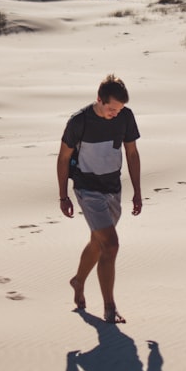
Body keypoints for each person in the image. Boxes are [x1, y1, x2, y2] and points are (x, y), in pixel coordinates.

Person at [57, 74, 142, 323]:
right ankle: (109, 307)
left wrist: (137, 191)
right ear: (99, 100)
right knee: (112, 244)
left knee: (99, 242)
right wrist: (63, 196)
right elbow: (63, 159)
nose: (115, 113)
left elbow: (132, 153)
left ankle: (78, 281)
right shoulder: (79, 122)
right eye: (111, 109)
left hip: (113, 188)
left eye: (119, 109)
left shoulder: (125, 117)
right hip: (87, 189)